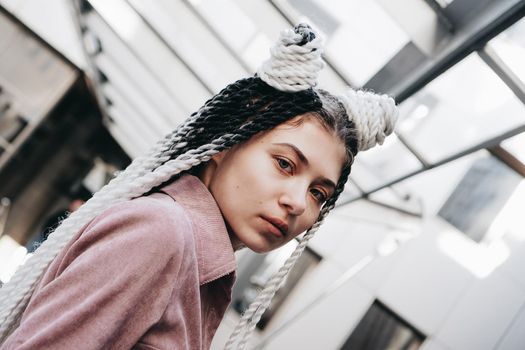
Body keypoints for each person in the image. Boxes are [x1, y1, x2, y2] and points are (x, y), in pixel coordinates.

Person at [0, 23, 398, 349]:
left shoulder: (198, 264)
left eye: (318, 194)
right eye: (284, 163)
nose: (297, 203)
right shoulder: (161, 234)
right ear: (227, 143)